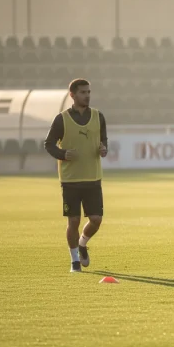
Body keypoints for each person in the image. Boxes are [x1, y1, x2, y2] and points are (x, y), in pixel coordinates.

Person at [44, 78, 108, 272]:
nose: (87, 95)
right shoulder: (61, 119)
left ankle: (82, 243)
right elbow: (48, 144)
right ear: (72, 95)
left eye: (88, 92)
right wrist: (63, 154)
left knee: (96, 219)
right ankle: (74, 261)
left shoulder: (99, 116)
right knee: (73, 221)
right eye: (82, 92)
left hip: (93, 177)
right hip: (71, 180)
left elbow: (103, 140)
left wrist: (104, 149)